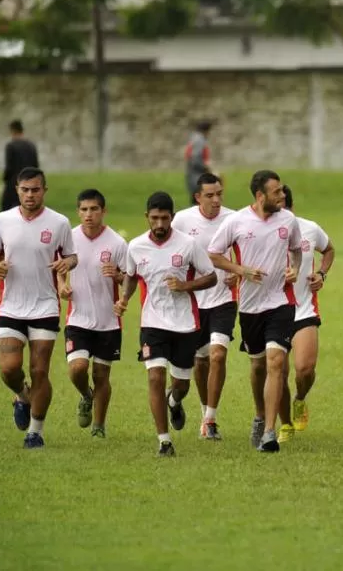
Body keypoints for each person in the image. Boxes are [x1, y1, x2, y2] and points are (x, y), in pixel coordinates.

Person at [115, 192, 216, 456]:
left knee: (181, 385)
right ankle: (164, 441)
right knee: (155, 376)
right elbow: (130, 275)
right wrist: (124, 298)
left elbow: (211, 277)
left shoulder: (189, 244)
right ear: (147, 217)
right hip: (152, 323)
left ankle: (174, 401)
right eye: (154, 218)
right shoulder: (135, 246)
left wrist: (185, 286)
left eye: (164, 218)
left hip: (184, 324)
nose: (159, 224)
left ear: (172, 217)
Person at [207, 170, 302, 452]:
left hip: (281, 302)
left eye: (283, 190)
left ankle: (270, 433)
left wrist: (294, 268)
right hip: (249, 307)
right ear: (260, 196)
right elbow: (214, 253)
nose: (283, 196)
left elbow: (296, 249)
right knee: (258, 365)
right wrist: (241, 270)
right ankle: (260, 415)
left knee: (276, 363)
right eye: (277, 192)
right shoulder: (236, 221)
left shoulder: (288, 220)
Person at [0, 167, 76, 448]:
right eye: (25, 190)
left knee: (40, 371)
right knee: (9, 368)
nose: (30, 195)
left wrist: (66, 264)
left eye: (35, 190)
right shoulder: (2, 220)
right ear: (17, 190)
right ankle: (22, 396)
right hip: (11, 306)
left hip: (45, 306)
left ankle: (35, 432)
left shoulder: (59, 223)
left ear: (44, 190)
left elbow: (72, 256)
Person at [172, 173, 237, 440]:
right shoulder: (182, 220)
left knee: (218, 355)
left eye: (219, 194)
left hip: (224, 298)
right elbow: (170, 252)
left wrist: (237, 273)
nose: (216, 200)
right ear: (198, 197)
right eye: (210, 195)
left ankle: (210, 420)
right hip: (193, 302)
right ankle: (176, 401)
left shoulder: (234, 219)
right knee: (197, 364)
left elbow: (243, 251)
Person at [57, 189, 127, 438]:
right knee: (77, 368)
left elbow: (129, 278)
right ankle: (86, 396)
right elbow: (59, 268)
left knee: (101, 375)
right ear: (78, 212)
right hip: (78, 317)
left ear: (103, 211)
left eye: (94, 209)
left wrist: (117, 275)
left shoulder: (118, 243)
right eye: (84, 210)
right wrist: (62, 286)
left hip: (108, 321)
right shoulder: (69, 239)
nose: (89, 215)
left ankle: (99, 426)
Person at [281, 184, 335, 433]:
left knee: (304, 369)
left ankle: (300, 399)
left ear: (290, 208)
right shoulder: (260, 230)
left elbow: (329, 249)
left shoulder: (309, 229)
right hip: (272, 311)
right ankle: (282, 425)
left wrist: (322, 273)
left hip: (304, 309)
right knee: (277, 373)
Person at [0, 120, 40, 211]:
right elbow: (36, 166)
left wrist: (4, 183)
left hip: (13, 184)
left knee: (6, 211)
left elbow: (9, 168)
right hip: (29, 183)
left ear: (12, 131)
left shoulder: (11, 146)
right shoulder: (31, 145)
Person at [184, 121, 214, 207]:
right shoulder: (199, 141)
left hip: (192, 175)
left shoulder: (194, 139)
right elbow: (195, 159)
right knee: (198, 203)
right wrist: (206, 167)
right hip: (197, 176)